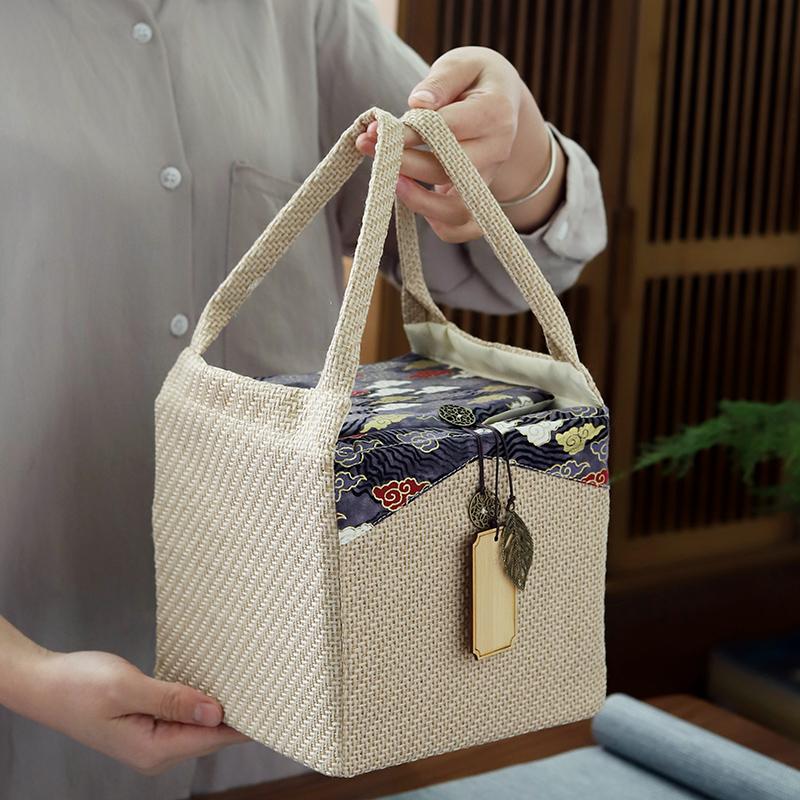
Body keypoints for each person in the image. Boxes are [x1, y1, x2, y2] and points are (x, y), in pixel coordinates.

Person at [0, 2, 606, 798]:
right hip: (35, 698)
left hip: (306, 688)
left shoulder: (299, 14)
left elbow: (509, 256)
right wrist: (24, 676)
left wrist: (520, 151)